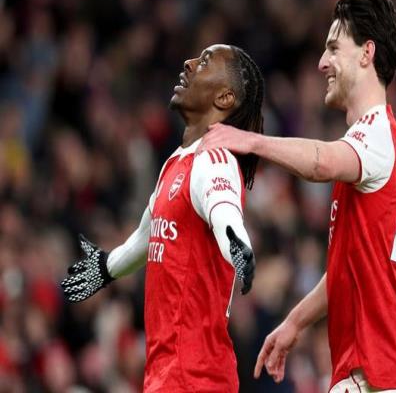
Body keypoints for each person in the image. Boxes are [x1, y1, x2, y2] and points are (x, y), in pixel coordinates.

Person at [199, 0, 396, 392]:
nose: (322, 62)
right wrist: (295, 322)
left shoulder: (379, 135)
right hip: (373, 372)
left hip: (378, 372)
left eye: (334, 48)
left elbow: (321, 162)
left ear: (367, 53)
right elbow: (346, 270)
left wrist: (251, 141)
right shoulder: (370, 143)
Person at [60, 44, 265, 392]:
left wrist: (237, 245)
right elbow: (147, 236)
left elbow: (224, 211)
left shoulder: (215, 159)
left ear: (224, 97)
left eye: (204, 62)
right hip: (167, 375)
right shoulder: (176, 162)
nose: (188, 63)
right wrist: (107, 267)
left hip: (197, 379)